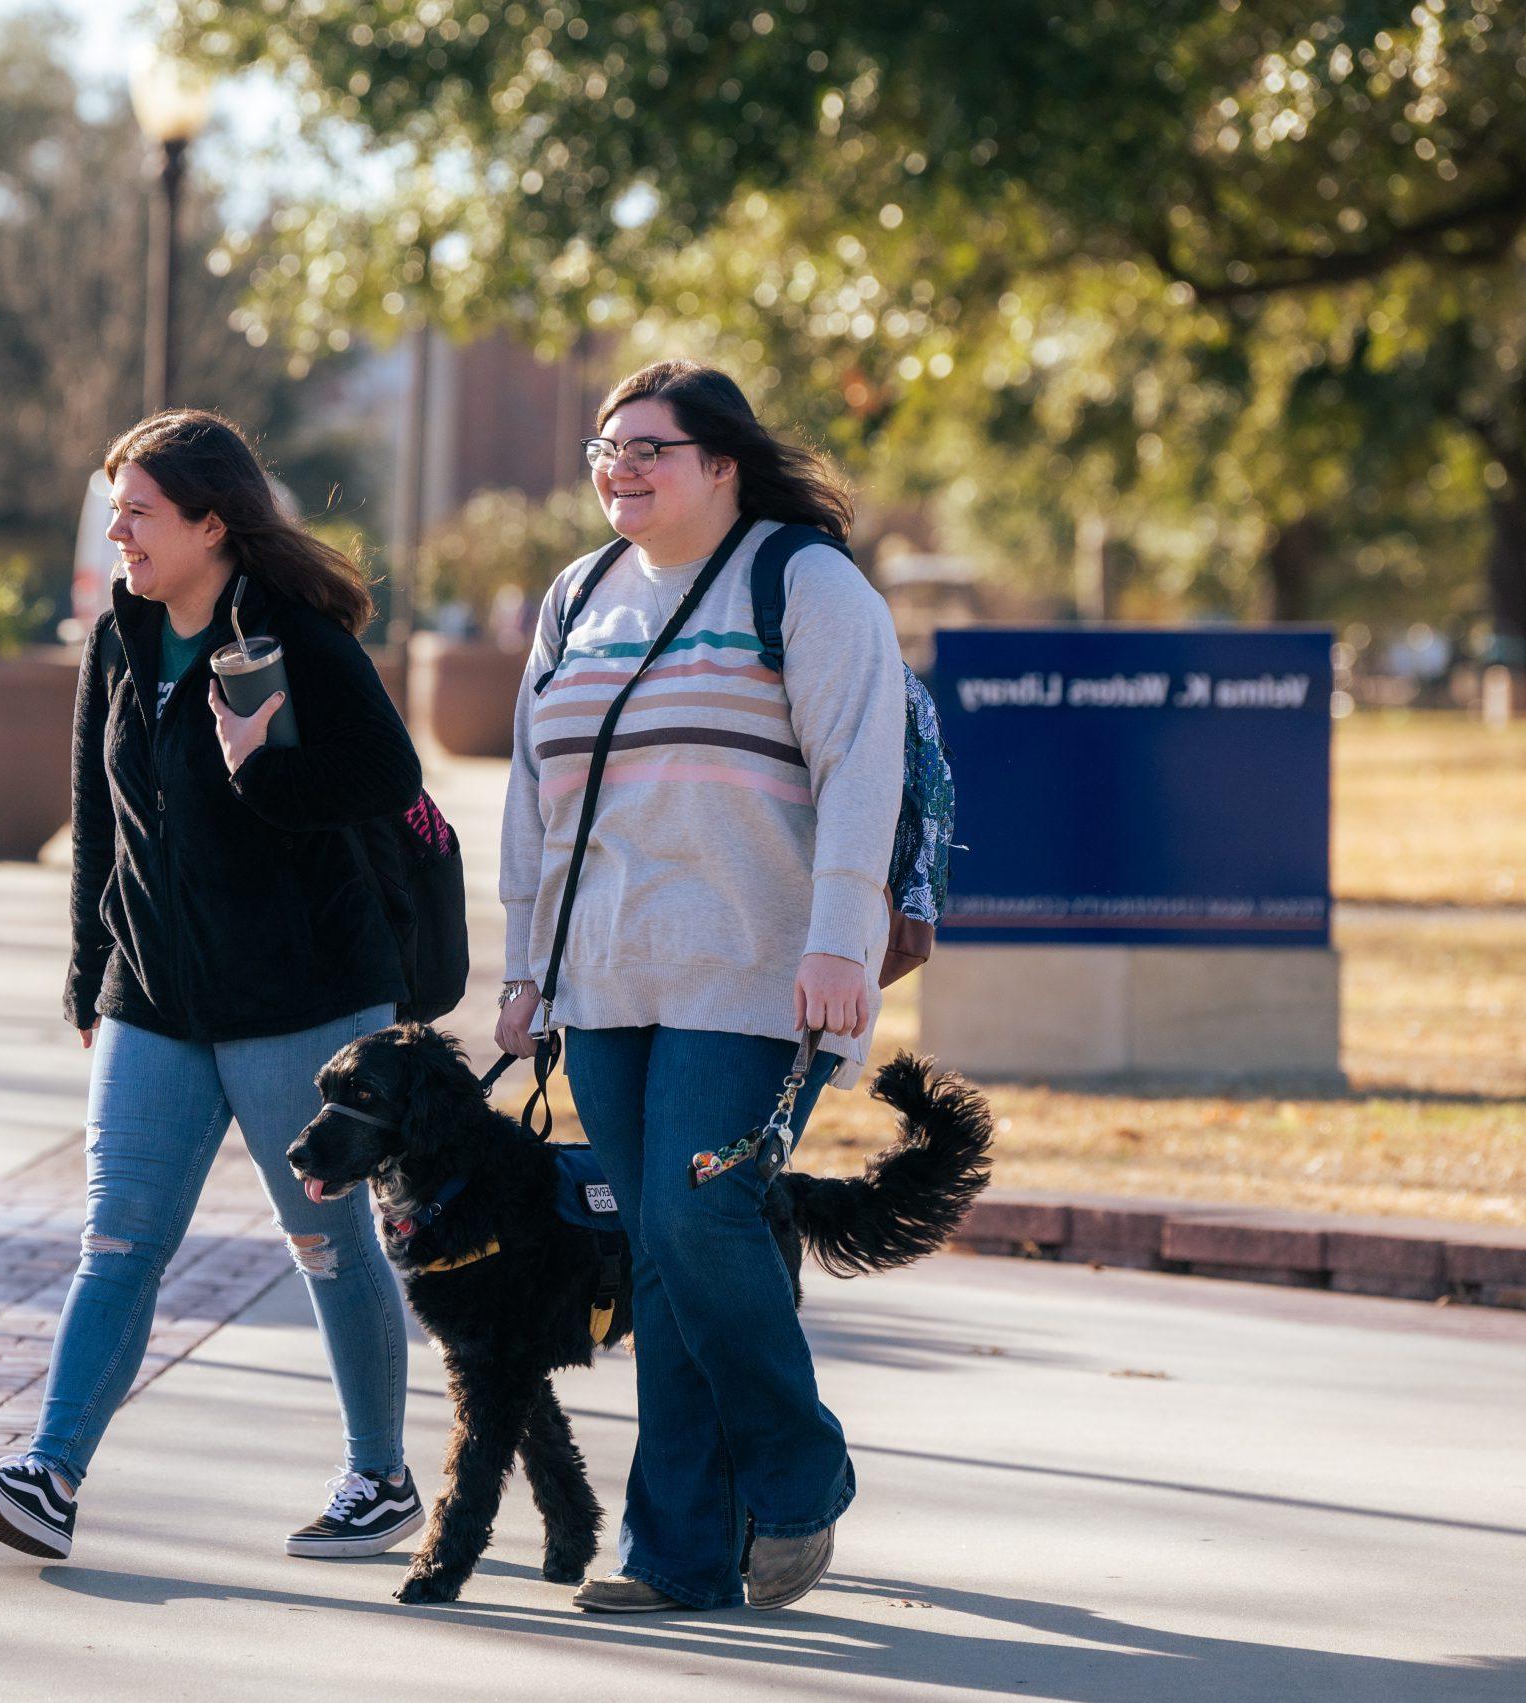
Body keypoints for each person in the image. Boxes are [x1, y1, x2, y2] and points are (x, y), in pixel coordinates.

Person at [0, 410, 427, 1564]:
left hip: (300, 996)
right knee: (119, 1237)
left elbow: (384, 773)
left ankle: (380, 1474)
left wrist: (266, 772)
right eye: (117, 508)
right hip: (152, 997)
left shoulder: (288, 631)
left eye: (138, 510)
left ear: (213, 522)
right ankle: (49, 1473)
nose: (119, 530)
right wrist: (87, 975)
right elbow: (95, 814)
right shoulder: (121, 629)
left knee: (325, 1235)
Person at [496, 361, 906, 1615]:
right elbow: (534, 792)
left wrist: (841, 937)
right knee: (661, 1249)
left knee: (696, 1217)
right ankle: (676, 1550)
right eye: (605, 449)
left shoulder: (805, 581)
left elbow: (859, 768)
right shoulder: (579, 595)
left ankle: (798, 1467)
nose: (618, 467)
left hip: (759, 973)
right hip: (607, 976)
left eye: (649, 449)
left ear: (722, 463)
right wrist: (524, 965)